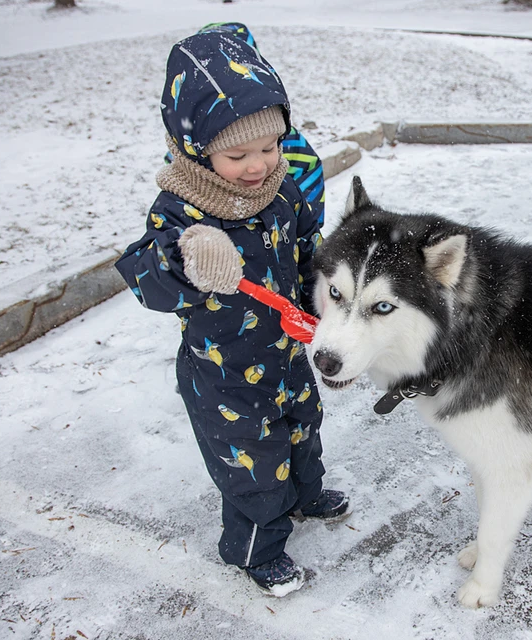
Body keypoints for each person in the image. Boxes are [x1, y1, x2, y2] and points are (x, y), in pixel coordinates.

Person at [115, 27, 347, 599]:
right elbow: (145, 279)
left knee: (302, 430)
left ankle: (306, 493)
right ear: (196, 149)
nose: (256, 165)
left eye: (269, 147)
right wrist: (185, 259)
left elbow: (306, 251)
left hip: (289, 352)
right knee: (254, 465)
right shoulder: (181, 210)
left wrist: (328, 296)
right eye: (237, 154)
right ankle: (253, 550)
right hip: (224, 372)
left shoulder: (283, 189)